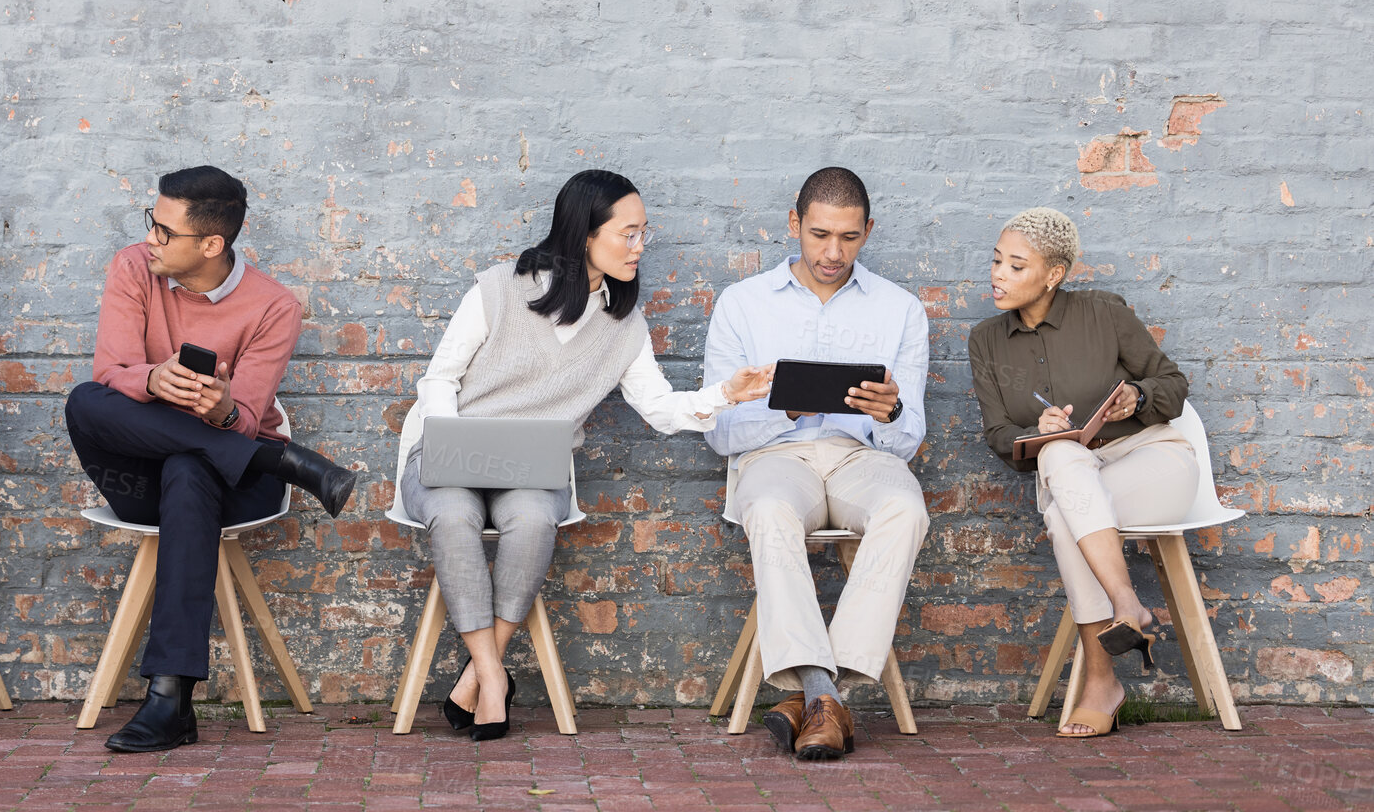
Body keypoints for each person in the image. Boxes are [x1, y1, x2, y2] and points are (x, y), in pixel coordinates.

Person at [389, 169, 773, 741]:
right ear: (584, 233)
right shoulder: (498, 289)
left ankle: (479, 674)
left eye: (644, 234)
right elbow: (439, 379)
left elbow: (658, 407)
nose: (640, 247)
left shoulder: (622, 324)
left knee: (534, 520)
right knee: (454, 516)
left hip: (532, 469)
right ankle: (493, 678)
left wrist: (725, 395)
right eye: (629, 233)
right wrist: (452, 444)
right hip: (450, 452)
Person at [64, 165, 358, 752]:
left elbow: (245, 417)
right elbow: (111, 373)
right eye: (151, 223)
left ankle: (169, 703)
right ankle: (284, 462)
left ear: (211, 244)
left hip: (229, 483)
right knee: (84, 401)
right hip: (140, 471)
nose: (151, 237)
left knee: (191, 467)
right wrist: (155, 380)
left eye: (163, 230)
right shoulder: (133, 267)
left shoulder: (273, 306)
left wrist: (222, 410)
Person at [702, 166, 930, 762]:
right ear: (794, 224)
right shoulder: (741, 304)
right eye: (820, 235)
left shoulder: (901, 309)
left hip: (859, 457)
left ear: (869, 231)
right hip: (775, 457)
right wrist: (786, 407)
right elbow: (720, 434)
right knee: (772, 508)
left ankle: (815, 695)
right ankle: (825, 695)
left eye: (849, 238)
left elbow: (907, 441)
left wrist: (891, 411)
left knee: (905, 508)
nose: (833, 252)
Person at [968, 207, 1196, 739]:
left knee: (1065, 510)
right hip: (1078, 474)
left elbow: (1174, 385)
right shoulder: (986, 341)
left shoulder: (1104, 312)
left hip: (1153, 460)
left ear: (1054, 274)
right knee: (1057, 460)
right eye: (997, 261)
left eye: (1016, 266)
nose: (999, 274)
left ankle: (1102, 674)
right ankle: (1125, 609)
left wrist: (1137, 397)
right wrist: (1037, 427)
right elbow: (1000, 437)